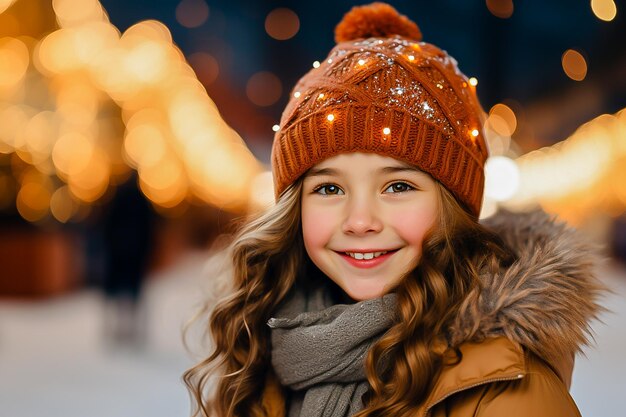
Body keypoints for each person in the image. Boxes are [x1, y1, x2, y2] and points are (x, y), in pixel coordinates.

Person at [184, 3, 604, 416]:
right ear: (294, 207)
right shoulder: (260, 355)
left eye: (398, 186)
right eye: (329, 188)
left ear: (451, 206)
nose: (361, 221)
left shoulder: (506, 394)